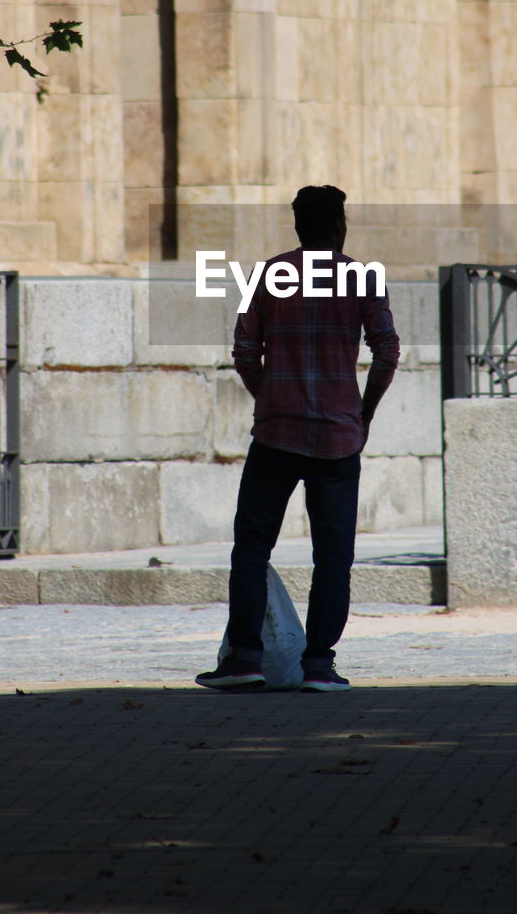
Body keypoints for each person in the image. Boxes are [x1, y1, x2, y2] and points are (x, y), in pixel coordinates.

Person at [195, 185, 400, 693]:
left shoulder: (267, 275)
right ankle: (319, 665)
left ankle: (245, 658)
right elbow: (387, 351)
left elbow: (244, 350)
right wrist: (363, 412)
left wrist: (271, 397)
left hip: (275, 436)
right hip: (337, 437)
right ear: (339, 225)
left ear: (297, 226)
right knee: (333, 557)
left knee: (251, 548)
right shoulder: (363, 278)